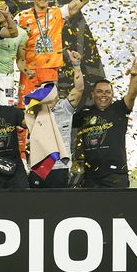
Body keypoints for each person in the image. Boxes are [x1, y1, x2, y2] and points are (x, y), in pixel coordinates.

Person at [15, 0, 91, 102]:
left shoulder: (58, 13)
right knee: (26, 112)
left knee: (48, 112)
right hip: (28, 71)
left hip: (49, 71)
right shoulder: (21, 17)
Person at [73, 56, 137, 188]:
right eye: (99, 91)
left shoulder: (119, 109)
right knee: (93, 209)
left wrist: (134, 76)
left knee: (118, 209)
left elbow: (131, 95)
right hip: (90, 177)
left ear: (112, 95)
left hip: (115, 175)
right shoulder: (84, 113)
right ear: (93, 94)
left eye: (107, 92)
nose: (104, 94)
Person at [27, 51, 84, 188]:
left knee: (58, 207)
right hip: (38, 167)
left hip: (59, 167)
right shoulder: (33, 111)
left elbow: (79, 88)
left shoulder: (65, 108)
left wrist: (76, 65)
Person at [0, 0, 28, 106]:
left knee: (6, 108)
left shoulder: (22, 34)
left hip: (6, 78)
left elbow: (21, 59)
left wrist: (28, 73)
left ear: (11, 13)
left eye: (2, 9)